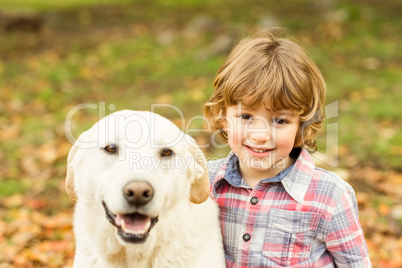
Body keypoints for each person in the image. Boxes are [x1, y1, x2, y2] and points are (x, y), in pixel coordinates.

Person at [204, 29, 371, 267]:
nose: (260, 135)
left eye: (279, 121)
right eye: (246, 116)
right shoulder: (204, 184)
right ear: (223, 119)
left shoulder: (329, 196)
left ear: (302, 126)